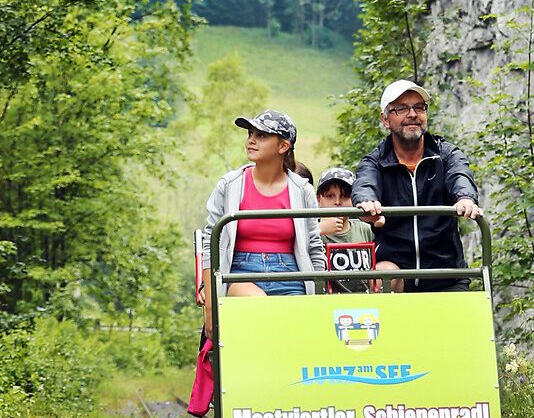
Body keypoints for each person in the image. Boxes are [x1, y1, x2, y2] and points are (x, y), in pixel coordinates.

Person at [201, 108, 325, 334]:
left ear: (283, 146)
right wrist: (210, 307)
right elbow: (212, 242)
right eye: (250, 134)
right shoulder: (230, 185)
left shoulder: (301, 190)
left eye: (262, 136)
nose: (251, 140)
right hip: (240, 272)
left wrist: (317, 298)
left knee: (296, 334)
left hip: (290, 274)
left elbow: (314, 248)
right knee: (260, 307)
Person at [351, 78, 482, 291]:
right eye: (401, 109)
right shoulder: (376, 161)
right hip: (399, 273)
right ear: (385, 119)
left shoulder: (446, 154)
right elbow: (365, 183)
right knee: (383, 274)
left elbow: (460, 175)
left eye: (419, 107)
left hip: (446, 274)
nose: (412, 114)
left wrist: (465, 199)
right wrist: (367, 203)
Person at [315, 165, 375, 292]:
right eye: (330, 196)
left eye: (345, 196)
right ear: (318, 199)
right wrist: (318, 230)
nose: (337, 202)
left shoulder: (364, 229)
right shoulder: (314, 231)